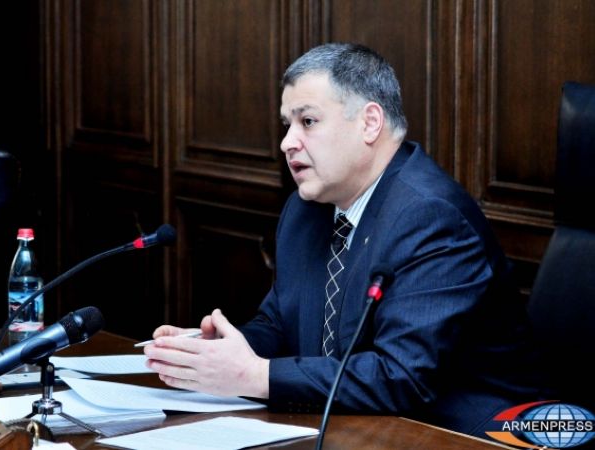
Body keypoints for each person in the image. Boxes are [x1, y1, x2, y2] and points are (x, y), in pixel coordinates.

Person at [144, 42, 546, 438]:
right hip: (354, 424)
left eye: (307, 122)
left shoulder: (430, 216)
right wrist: (216, 352)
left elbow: (403, 376)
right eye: (287, 124)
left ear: (369, 123)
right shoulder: (306, 209)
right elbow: (279, 323)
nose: (287, 142)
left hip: (466, 434)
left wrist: (256, 375)